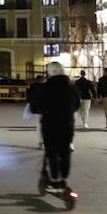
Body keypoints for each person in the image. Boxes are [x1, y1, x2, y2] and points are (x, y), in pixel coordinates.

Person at [30, 61, 80, 189]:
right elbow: (77, 105)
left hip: (50, 124)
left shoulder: (45, 87)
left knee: (51, 151)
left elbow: (34, 106)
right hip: (67, 124)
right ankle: (63, 178)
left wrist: (39, 109)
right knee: (65, 152)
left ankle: (54, 180)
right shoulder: (71, 87)